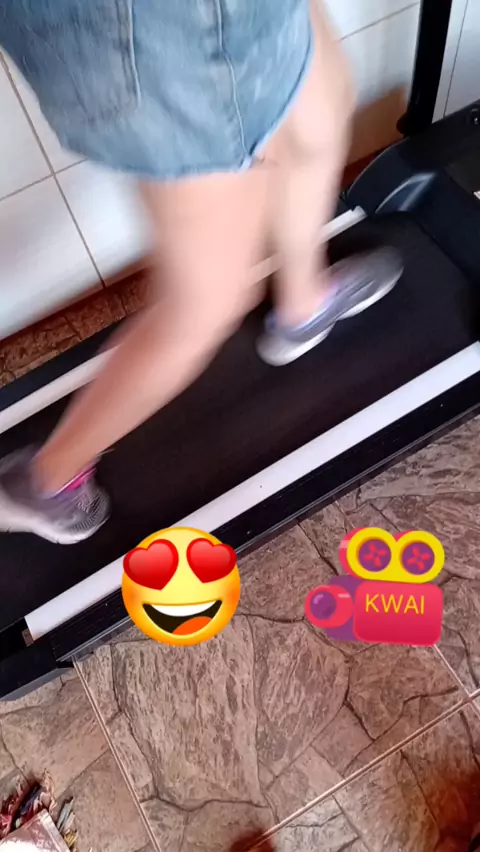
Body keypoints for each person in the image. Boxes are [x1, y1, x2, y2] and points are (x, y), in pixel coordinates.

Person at [0, 0, 402, 544]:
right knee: (210, 301)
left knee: (319, 114)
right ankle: (46, 483)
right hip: (153, 36)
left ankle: (303, 307)